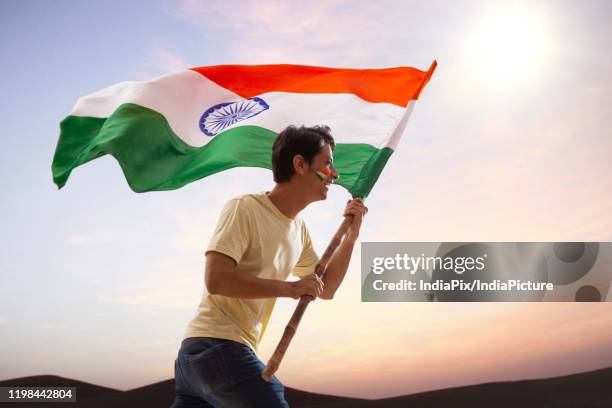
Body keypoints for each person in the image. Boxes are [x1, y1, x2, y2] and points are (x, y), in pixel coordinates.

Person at [171, 125, 368, 407]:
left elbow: (325, 289)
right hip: (217, 347)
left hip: (203, 361)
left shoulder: (298, 231)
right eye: (327, 163)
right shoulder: (244, 208)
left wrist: (351, 236)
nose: (335, 174)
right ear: (300, 164)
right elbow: (216, 278)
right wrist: (290, 288)